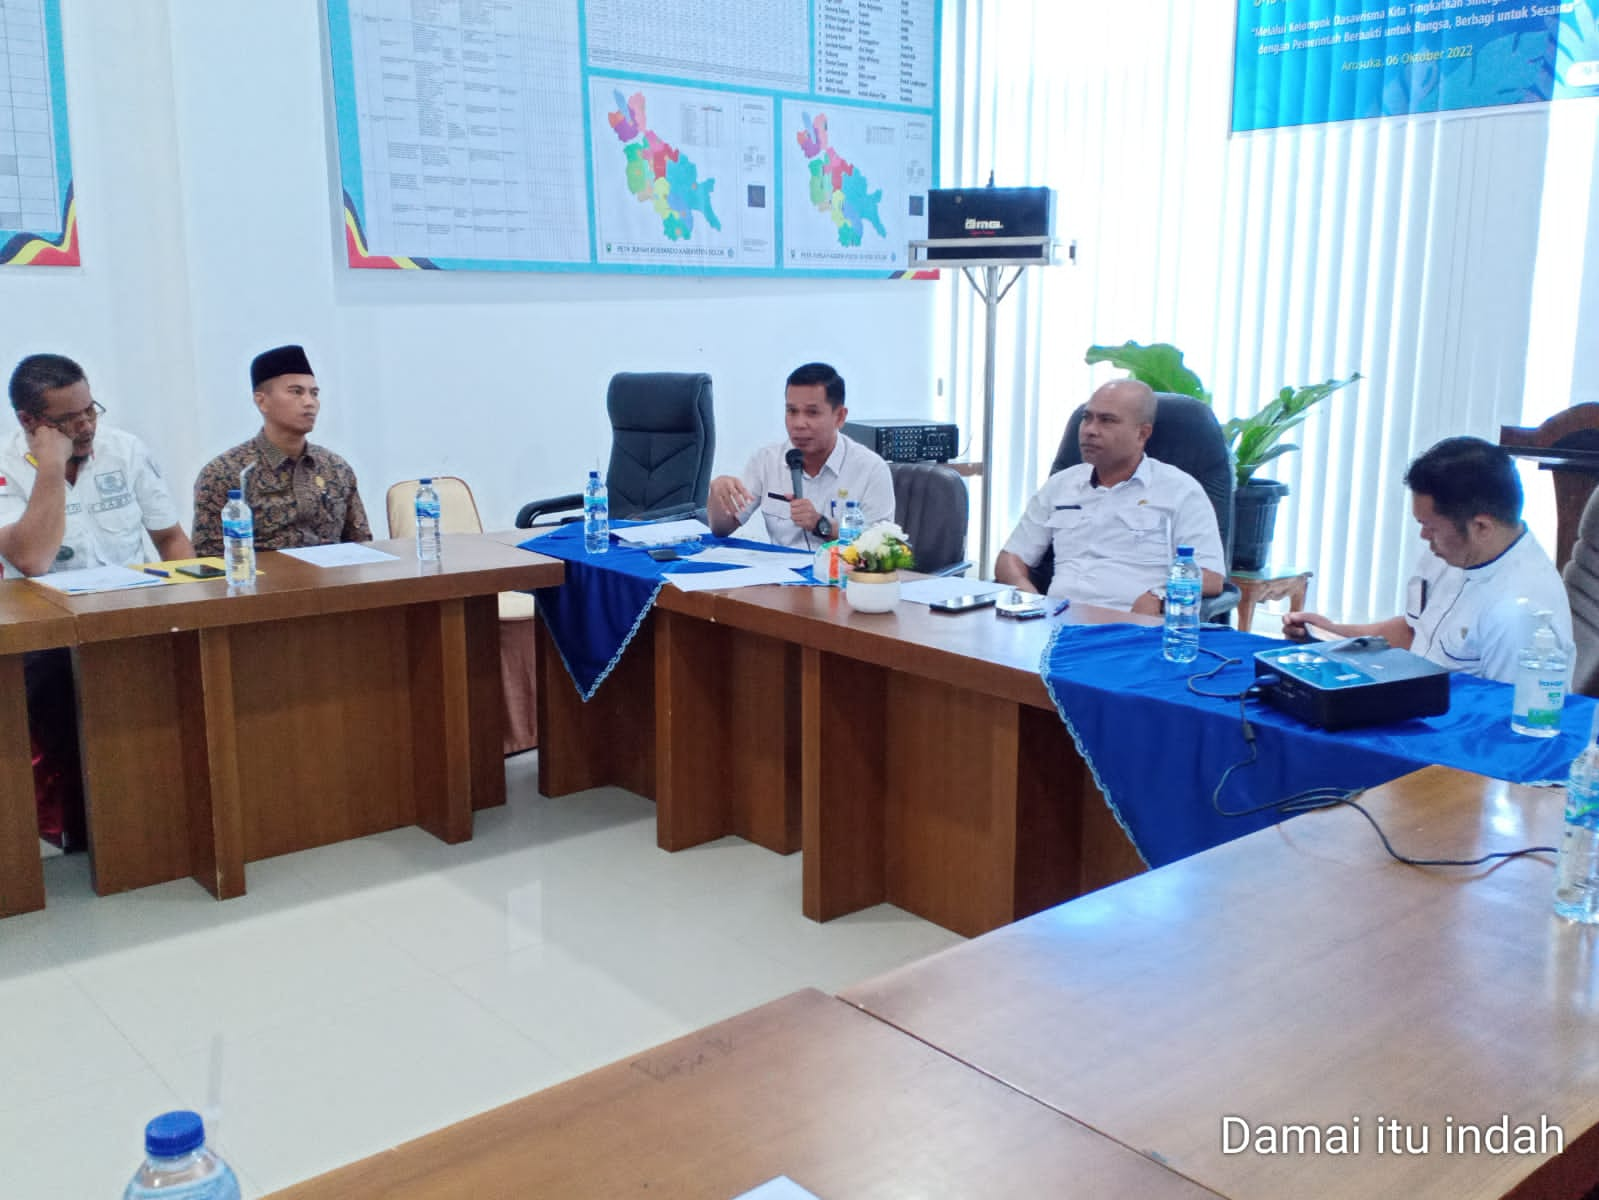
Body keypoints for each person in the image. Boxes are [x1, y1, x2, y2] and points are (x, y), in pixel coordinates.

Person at [0, 352, 195, 849]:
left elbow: (172, 540)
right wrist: (50, 467)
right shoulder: (6, 467)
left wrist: (190, 605)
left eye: (91, 410)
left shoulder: (124, 451)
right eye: (70, 419)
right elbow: (31, 558)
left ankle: (161, 827)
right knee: (64, 721)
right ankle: (80, 837)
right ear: (30, 422)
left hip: (131, 622)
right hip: (47, 640)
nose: (87, 425)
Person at [1284, 436, 1572, 684]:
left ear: (1481, 527)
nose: (1423, 536)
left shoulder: (1518, 615)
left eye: (1431, 527)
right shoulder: (1451, 552)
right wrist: (1329, 634)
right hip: (1414, 698)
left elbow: (1507, 731)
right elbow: (1414, 633)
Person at [994, 379, 1225, 613]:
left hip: (1133, 627)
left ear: (1142, 434)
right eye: (1087, 417)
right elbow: (1010, 558)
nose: (1090, 430)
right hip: (1057, 625)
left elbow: (1211, 577)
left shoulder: (1180, 490)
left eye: (1107, 420)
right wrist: (1032, 602)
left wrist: (1159, 596)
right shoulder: (1061, 485)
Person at [192, 344, 371, 556]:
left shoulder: (336, 468)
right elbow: (209, 559)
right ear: (262, 401)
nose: (309, 402)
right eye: (296, 392)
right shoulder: (224, 473)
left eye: (314, 393)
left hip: (333, 585)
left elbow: (362, 545)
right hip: (261, 586)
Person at [707, 362, 894, 548]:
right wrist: (716, 497)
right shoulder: (766, 460)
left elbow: (882, 545)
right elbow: (722, 529)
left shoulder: (870, 468)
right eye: (791, 411)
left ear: (840, 417)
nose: (799, 423)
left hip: (841, 574)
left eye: (812, 413)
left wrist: (822, 525)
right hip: (779, 575)